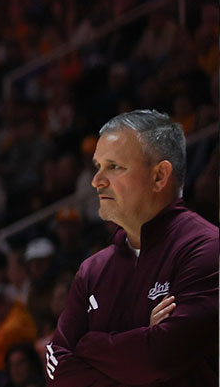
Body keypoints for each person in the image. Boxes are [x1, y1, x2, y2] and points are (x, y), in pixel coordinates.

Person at [45, 110, 219, 386]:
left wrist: (88, 344)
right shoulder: (92, 270)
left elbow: (159, 359)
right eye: (98, 166)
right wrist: (143, 338)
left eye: (114, 167)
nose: (97, 180)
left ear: (160, 176)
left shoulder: (206, 249)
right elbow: (57, 373)